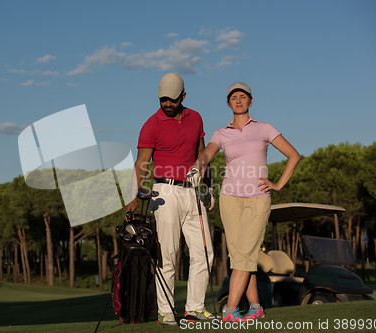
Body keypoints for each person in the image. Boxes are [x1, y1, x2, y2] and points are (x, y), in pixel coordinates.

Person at [187, 82, 300, 322]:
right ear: (228, 103)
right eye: (233, 97)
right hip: (229, 199)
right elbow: (207, 152)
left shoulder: (265, 128)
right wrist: (198, 166)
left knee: (246, 253)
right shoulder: (221, 133)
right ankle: (256, 307)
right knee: (239, 256)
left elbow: (293, 155)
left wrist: (278, 184)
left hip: (258, 199)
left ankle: (230, 310)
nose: (238, 100)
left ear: (250, 101)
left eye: (243, 97)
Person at [125, 73, 216, 326]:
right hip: (164, 193)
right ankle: (166, 312)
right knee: (168, 255)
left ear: (183, 96)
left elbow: (201, 153)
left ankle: (195, 308)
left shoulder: (195, 117)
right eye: (163, 99)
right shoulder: (151, 124)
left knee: (205, 253)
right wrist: (134, 196)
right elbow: (141, 162)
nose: (166, 104)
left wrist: (207, 187)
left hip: (192, 191)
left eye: (172, 100)